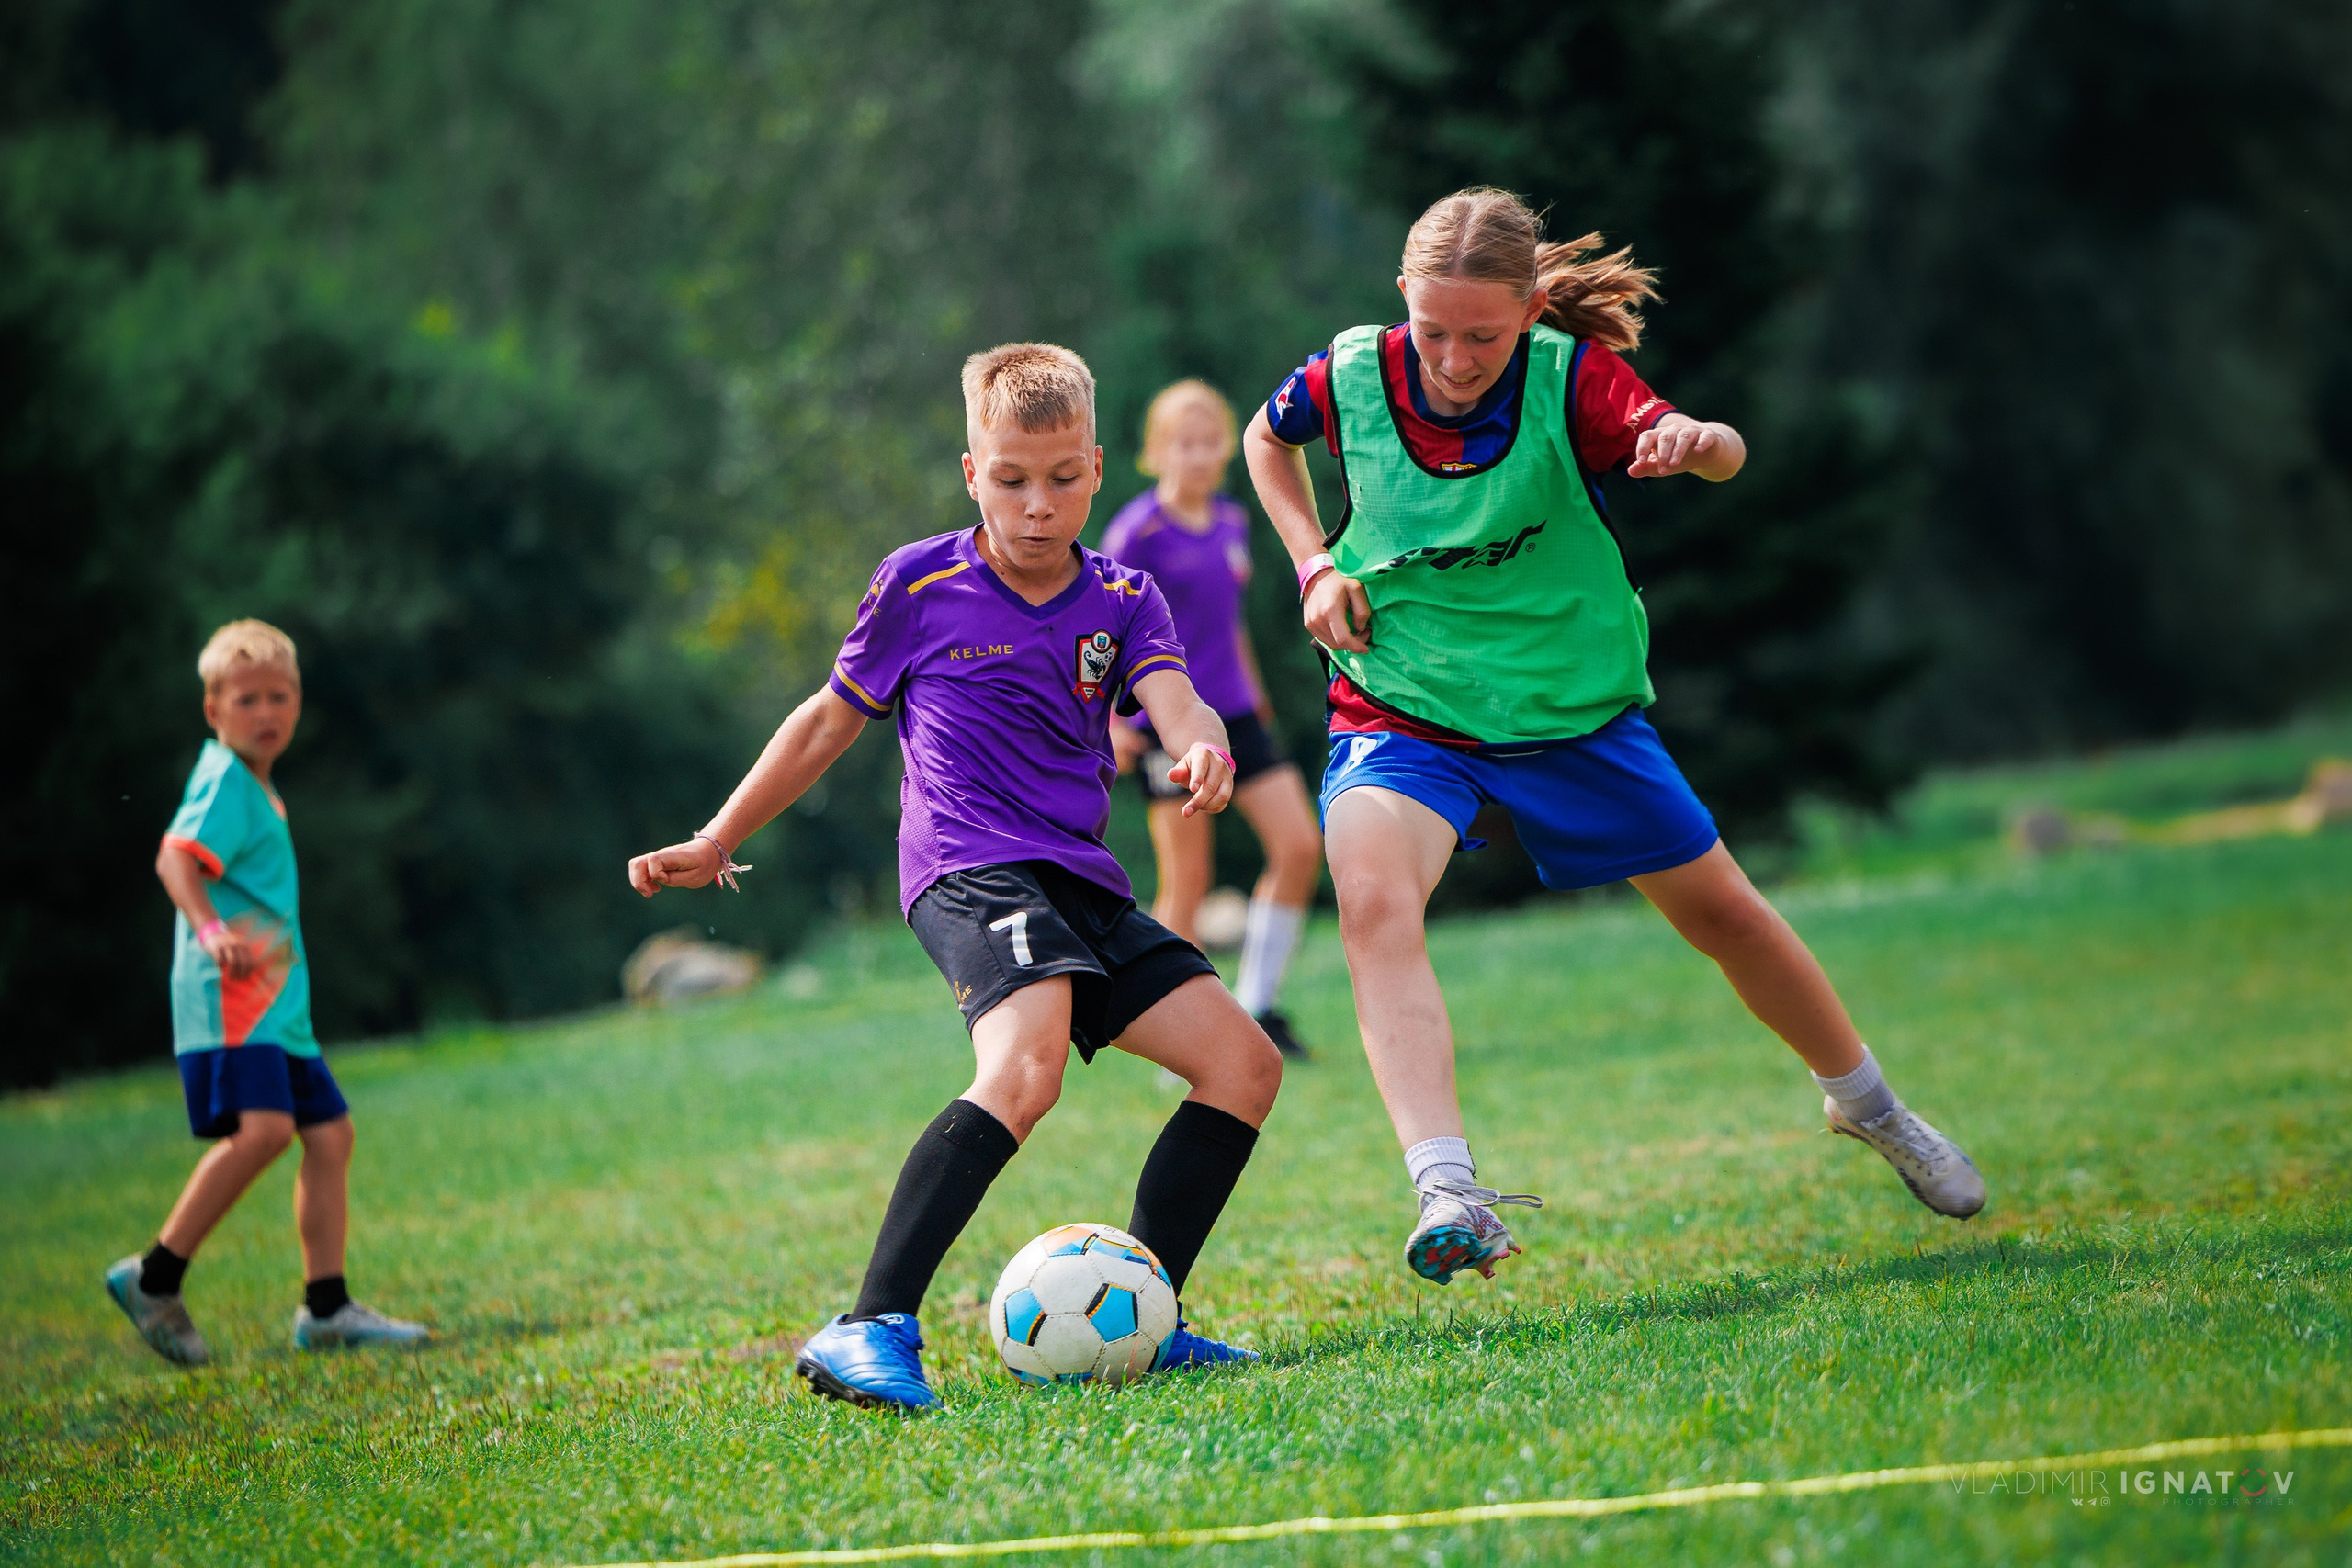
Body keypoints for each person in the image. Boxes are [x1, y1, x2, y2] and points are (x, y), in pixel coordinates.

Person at [1241, 187, 1984, 1287]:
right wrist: (1313, 561)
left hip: (1567, 709)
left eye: (1482, 334)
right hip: (1401, 699)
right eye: (1432, 328)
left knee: (1726, 915)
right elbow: (1269, 440)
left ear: (1531, 307)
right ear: (1402, 299)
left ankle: (1868, 1106)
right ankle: (1445, 1186)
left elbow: (1722, 453)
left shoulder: (1570, 378)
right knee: (1371, 904)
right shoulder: (1351, 373)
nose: (1451, 357)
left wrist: (1696, 442)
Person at [629, 343, 1283, 1412]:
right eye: (1012, 478)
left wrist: (1199, 745)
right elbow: (824, 724)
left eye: (1064, 478)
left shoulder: (1123, 594)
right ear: (970, 471)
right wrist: (715, 837)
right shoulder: (919, 583)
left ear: (1099, 466)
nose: (1039, 504)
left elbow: (1177, 696)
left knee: (1243, 1066)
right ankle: (867, 1324)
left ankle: (1148, 1316)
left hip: (1081, 883)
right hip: (969, 871)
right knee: (1027, 1073)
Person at [106, 620, 429, 1366]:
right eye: (246, 698)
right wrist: (211, 927)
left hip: (276, 1003)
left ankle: (327, 1309)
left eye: (279, 696)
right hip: (233, 999)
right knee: (263, 1132)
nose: (266, 712)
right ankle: (156, 1277)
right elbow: (174, 859)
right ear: (213, 710)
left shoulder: (256, 786)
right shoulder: (224, 779)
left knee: (329, 1134)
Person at [1099, 380, 1323, 1059]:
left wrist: (1255, 696)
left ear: (1226, 447)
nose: (1197, 455)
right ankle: (1180, 1039)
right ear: (1156, 451)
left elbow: (1230, 626)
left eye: (1208, 441)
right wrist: (1113, 719)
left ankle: (1258, 1004)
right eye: (1182, 443)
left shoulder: (1232, 520)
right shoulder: (1136, 531)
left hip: (1238, 717)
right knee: (1186, 886)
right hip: (1170, 727)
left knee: (1300, 846)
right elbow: (1101, 629)